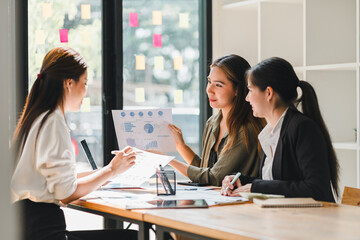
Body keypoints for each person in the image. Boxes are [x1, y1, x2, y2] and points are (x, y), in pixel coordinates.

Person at [11, 47, 138, 240]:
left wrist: (108, 172)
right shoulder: (54, 123)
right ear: (69, 83)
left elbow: (58, 180)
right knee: (132, 237)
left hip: (28, 225)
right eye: (85, 83)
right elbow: (66, 193)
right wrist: (110, 170)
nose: (86, 92)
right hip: (45, 230)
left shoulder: (36, 118)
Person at [221, 57, 339, 202]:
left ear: (268, 93)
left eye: (250, 91)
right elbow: (273, 181)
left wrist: (256, 186)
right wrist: (240, 180)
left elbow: (315, 188)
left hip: (308, 220)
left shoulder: (302, 128)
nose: (247, 98)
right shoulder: (270, 132)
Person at [167, 54, 266, 186]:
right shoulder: (213, 122)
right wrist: (180, 146)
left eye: (218, 85)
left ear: (237, 90)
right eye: (209, 82)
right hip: (215, 202)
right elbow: (205, 170)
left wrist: (166, 160)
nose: (209, 90)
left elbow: (214, 178)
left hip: (238, 204)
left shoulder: (246, 129)